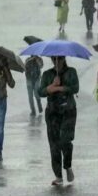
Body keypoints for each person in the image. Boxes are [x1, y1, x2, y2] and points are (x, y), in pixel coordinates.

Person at [38, 56, 79, 186]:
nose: (57, 61)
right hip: (52, 112)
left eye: (59, 59)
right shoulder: (47, 74)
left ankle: (67, 166)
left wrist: (60, 88)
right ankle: (58, 176)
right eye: (54, 59)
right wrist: (51, 86)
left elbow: (75, 88)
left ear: (64, 59)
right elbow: (40, 92)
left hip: (68, 110)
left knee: (65, 140)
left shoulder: (71, 72)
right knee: (54, 144)